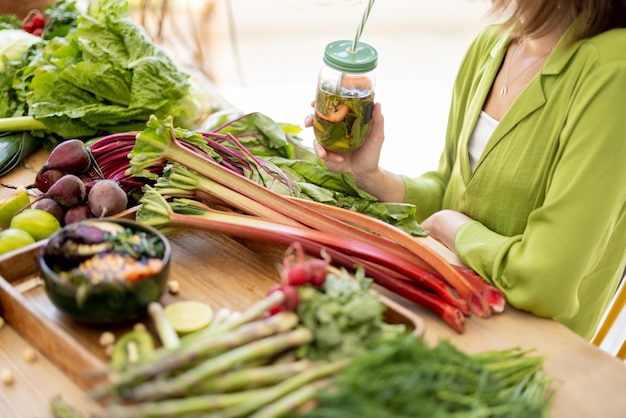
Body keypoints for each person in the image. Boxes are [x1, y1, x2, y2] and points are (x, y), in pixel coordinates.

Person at [306, 0, 626, 340]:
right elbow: (451, 191)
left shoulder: (613, 69)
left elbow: (547, 281)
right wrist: (373, 178)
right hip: (447, 314)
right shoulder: (492, 45)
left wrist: (452, 227)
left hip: (524, 353)